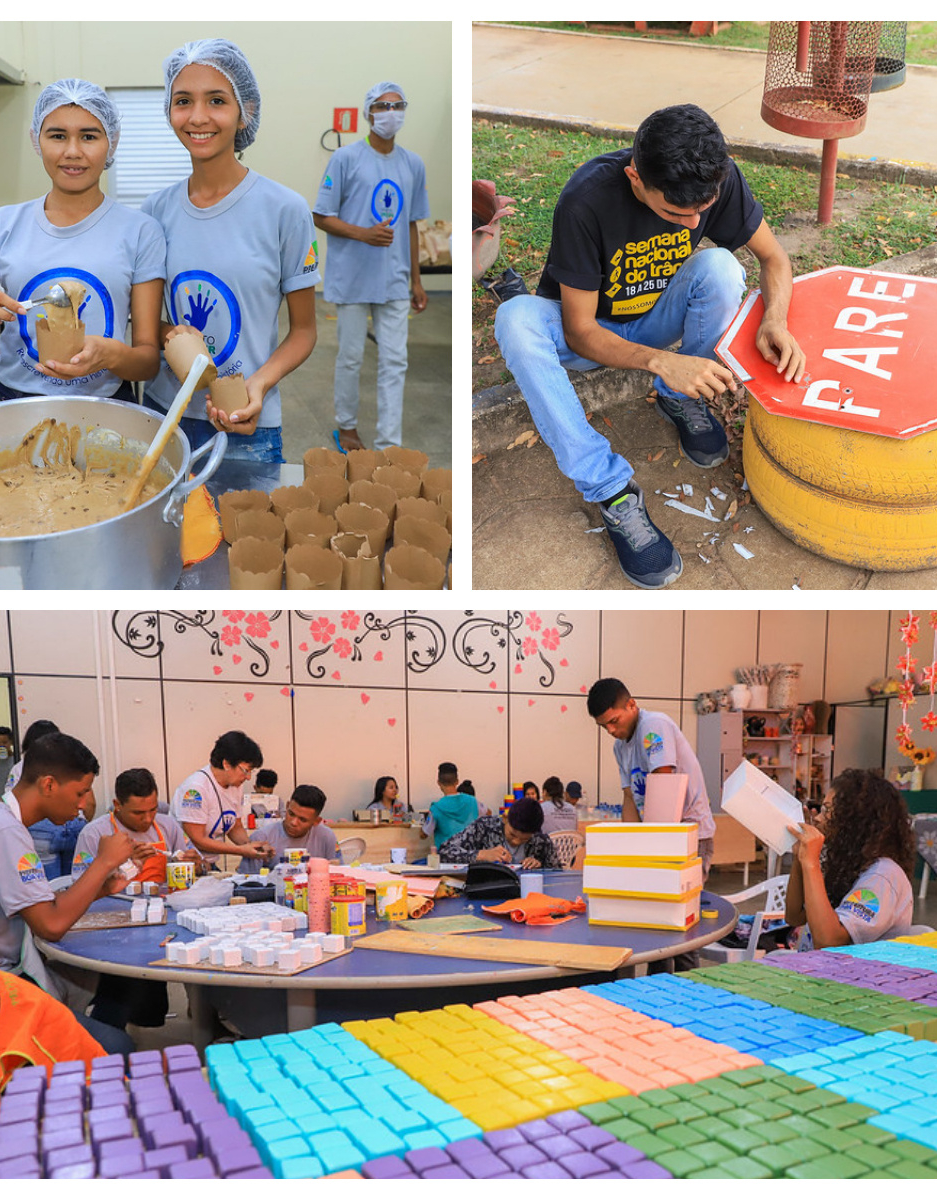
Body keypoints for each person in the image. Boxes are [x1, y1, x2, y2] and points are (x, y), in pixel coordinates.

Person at [494, 104, 806, 589]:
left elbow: (773, 258)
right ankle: (611, 490)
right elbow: (579, 332)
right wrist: (663, 361)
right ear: (635, 178)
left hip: (655, 318)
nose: (690, 225)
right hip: (588, 332)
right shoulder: (586, 199)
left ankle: (680, 400)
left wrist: (776, 319)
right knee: (515, 320)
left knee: (722, 267)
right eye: (674, 213)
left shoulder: (715, 177)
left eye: (701, 211)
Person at [0, 79, 165, 403]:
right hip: (15, 403)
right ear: (37, 140)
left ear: (111, 144)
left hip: (108, 404)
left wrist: (110, 355)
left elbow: (147, 362)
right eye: (57, 136)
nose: (72, 151)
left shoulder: (140, 231)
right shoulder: (1, 226)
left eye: (89, 136)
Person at [142, 39, 319, 467]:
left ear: (246, 111)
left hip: (245, 418)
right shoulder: (154, 212)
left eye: (217, 100)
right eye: (183, 101)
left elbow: (304, 331)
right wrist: (174, 337)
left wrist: (258, 385)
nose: (198, 116)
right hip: (164, 414)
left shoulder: (284, 210)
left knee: (242, 533)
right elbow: (146, 321)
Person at [0, 732, 136, 1054]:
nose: (83, 804)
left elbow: (43, 906)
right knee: (117, 1046)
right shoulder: (4, 831)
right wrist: (102, 863)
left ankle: (76, 1067)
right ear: (48, 785)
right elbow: (51, 925)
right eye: (80, 792)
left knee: (118, 981)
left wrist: (100, 888)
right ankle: (72, 1074)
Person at [313, 80, 430, 452]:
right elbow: (321, 215)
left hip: (395, 280)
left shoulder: (413, 164)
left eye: (398, 106)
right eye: (382, 106)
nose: (390, 113)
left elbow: (411, 222)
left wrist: (417, 279)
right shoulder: (345, 159)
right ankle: (346, 426)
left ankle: (388, 444)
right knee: (350, 357)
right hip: (352, 278)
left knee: (395, 362)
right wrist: (363, 234)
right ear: (368, 113)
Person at [74, 768, 200, 1031]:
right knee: (124, 981)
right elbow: (79, 890)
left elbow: (195, 862)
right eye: (138, 813)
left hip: (165, 916)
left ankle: (203, 1015)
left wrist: (193, 863)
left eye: (152, 809)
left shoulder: (167, 825)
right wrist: (124, 865)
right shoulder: (94, 834)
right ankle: (109, 1034)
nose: (147, 819)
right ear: (117, 805)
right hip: (113, 922)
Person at [586, 677, 715, 876]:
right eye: (603, 726)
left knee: (679, 902)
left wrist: (652, 844)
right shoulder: (620, 747)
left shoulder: (653, 725)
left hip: (686, 833)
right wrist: (631, 844)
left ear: (631, 705)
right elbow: (629, 796)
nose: (610, 730)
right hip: (660, 835)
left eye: (614, 721)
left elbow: (664, 785)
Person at [785, 768, 916, 951]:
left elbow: (828, 941)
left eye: (827, 810)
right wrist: (801, 858)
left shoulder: (882, 876)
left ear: (854, 821)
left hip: (856, 976)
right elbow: (794, 916)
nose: (818, 819)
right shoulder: (849, 864)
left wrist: (811, 862)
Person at [174, 730, 268, 867]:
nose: (248, 777)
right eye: (246, 770)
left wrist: (252, 847)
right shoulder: (195, 790)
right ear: (227, 764)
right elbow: (198, 839)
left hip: (209, 863)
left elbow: (235, 827)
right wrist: (241, 850)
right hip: (187, 866)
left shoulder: (235, 785)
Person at [12, 719, 90, 874]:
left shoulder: (20, 768)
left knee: (50, 885)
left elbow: (15, 803)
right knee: (75, 882)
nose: (82, 804)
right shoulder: (71, 768)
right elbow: (90, 803)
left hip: (44, 831)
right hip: (72, 826)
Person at [438, 797, 560, 870]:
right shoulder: (484, 827)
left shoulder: (540, 840)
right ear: (505, 818)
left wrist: (540, 867)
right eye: (512, 835)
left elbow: (557, 872)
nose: (516, 842)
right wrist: (481, 855)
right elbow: (444, 852)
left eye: (524, 840)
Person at [246, 785, 341, 866]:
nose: (293, 822)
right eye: (291, 814)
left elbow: (339, 874)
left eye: (302, 820)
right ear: (287, 806)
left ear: (316, 821)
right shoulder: (261, 838)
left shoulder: (327, 837)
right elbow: (246, 883)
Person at [421, 761, 479, 850]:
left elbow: (424, 833)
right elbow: (488, 813)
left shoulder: (436, 809)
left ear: (438, 782)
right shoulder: (473, 801)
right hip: (471, 855)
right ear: (457, 781)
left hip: (448, 857)